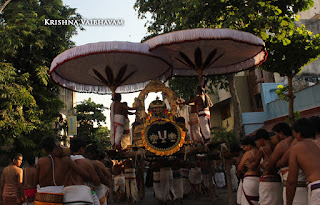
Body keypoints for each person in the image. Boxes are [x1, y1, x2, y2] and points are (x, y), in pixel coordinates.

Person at [34, 136, 91, 205]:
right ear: (55, 147)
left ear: (44, 149)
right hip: (58, 197)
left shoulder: (41, 161)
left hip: (42, 197)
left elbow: (35, 182)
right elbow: (85, 174)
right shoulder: (65, 160)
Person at [286, 118, 320, 205]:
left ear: (299, 134)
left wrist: (288, 203)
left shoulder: (297, 148)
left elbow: (291, 181)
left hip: (317, 188)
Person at [251, 129, 283, 205]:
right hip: (277, 178)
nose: (258, 143)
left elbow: (255, 164)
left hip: (266, 179)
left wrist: (250, 165)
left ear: (261, 139)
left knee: (265, 202)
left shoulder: (262, 149)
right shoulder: (276, 146)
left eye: (258, 141)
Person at [237, 137, 260, 205]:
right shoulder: (260, 151)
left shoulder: (248, 153)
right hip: (259, 179)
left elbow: (240, 168)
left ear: (249, 146)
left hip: (249, 179)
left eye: (244, 147)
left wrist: (242, 173)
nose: (243, 149)